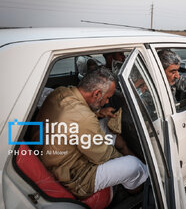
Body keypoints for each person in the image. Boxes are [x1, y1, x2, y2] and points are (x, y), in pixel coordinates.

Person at [37, 67, 148, 199]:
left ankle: (125, 155)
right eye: (107, 98)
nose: (107, 102)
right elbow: (102, 156)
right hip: (74, 178)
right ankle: (137, 193)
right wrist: (124, 153)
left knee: (106, 124)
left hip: (54, 156)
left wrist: (99, 113)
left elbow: (77, 117)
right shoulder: (84, 118)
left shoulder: (61, 92)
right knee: (133, 166)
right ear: (96, 94)